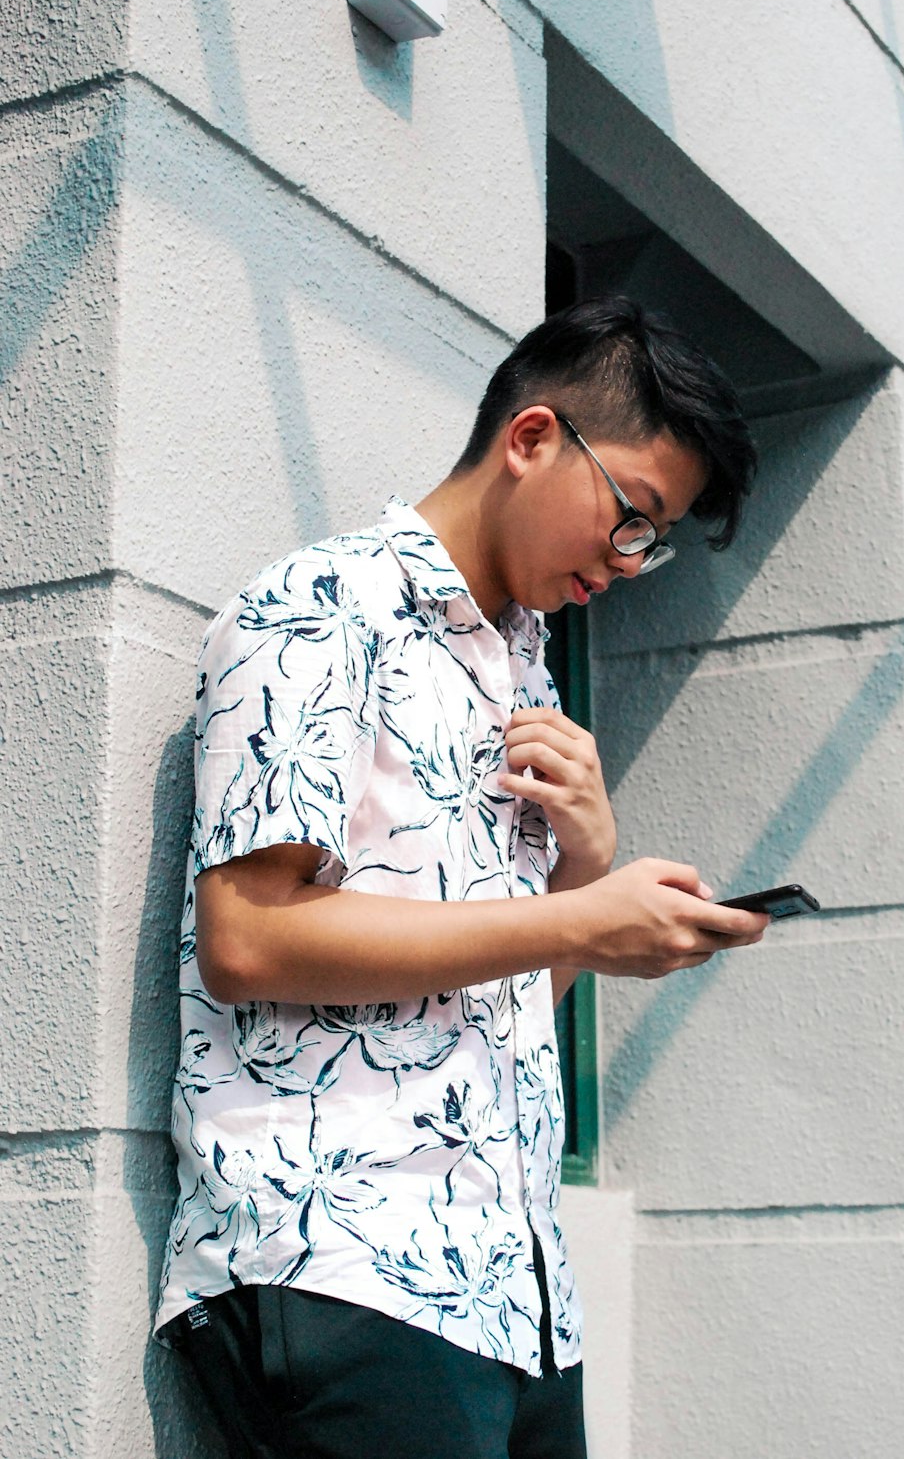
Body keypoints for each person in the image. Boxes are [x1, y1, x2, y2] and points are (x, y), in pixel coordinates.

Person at [153, 296, 769, 1459]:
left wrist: (583, 882)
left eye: (654, 539)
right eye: (631, 515)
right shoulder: (318, 607)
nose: (629, 562)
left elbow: (492, 1018)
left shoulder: (522, 683)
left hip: (514, 1291)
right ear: (532, 438)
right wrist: (579, 910)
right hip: (344, 1263)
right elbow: (247, 935)